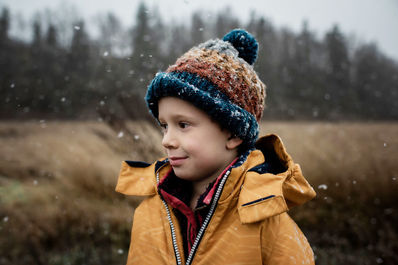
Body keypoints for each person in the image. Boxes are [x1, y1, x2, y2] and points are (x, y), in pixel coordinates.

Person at [116, 29, 316, 265]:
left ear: (233, 133)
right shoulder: (149, 212)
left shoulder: (262, 217)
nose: (167, 140)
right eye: (164, 126)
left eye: (183, 125)